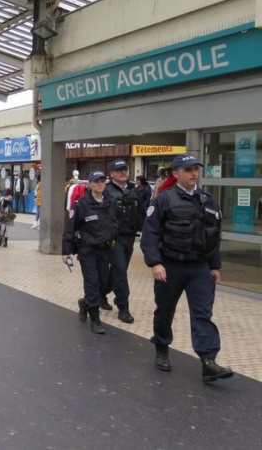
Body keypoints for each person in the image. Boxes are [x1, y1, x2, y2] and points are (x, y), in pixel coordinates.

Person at [140, 154, 232, 382]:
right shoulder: (164, 200)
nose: (194, 174)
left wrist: (214, 266)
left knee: (203, 314)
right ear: (176, 174)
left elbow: (213, 237)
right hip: (170, 267)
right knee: (165, 311)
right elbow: (149, 234)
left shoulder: (208, 201)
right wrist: (155, 262)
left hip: (199, 268)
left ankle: (208, 361)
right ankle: (161, 347)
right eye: (188, 170)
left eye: (196, 170)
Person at [61, 171, 119, 335]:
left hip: (105, 250)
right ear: (90, 185)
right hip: (88, 250)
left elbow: (117, 222)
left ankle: (85, 304)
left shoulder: (111, 202)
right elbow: (70, 228)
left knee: (103, 284)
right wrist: (66, 251)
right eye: (97, 182)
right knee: (92, 283)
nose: (100, 184)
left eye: (102, 181)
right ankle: (95, 319)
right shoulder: (81, 204)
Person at [101, 159, 144, 323]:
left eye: (125, 169)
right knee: (120, 270)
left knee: (119, 270)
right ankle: (123, 307)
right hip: (114, 238)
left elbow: (141, 210)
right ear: (111, 173)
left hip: (130, 236)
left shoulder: (134, 189)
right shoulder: (106, 190)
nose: (123, 172)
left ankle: (100, 293)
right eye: (119, 170)